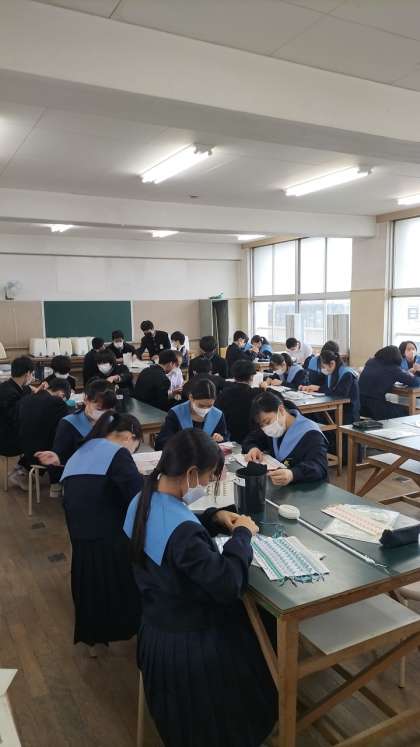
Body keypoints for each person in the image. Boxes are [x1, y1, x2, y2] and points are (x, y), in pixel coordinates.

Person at [124, 429, 277, 747]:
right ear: (192, 473)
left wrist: (213, 515)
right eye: (207, 478)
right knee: (265, 627)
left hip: (155, 630)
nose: (206, 486)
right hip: (192, 648)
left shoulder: (143, 497)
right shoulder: (184, 535)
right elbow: (228, 584)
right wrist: (242, 536)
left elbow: (175, 526)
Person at [61, 411, 143, 651]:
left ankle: (94, 641)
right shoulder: (117, 453)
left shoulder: (81, 451)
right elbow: (139, 496)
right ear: (129, 437)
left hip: (80, 538)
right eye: (135, 448)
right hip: (111, 542)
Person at [36, 379, 117, 495]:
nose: (103, 414)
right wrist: (56, 460)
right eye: (99, 409)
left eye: (108, 410)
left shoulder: (113, 421)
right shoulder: (69, 423)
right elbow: (60, 457)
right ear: (86, 399)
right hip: (78, 477)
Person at [242, 391, 328, 485]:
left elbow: (319, 466)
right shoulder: (273, 429)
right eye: (261, 425)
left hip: (307, 487)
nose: (266, 428)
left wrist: (293, 474)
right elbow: (251, 439)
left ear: (281, 410)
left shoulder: (311, 433)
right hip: (280, 486)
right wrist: (253, 448)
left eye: (267, 422)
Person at [19, 378, 71, 481]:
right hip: (41, 452)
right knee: (68, 439)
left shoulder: (28, 398)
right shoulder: (57, 402)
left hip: (24, 447)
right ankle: (56, 482)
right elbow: (65, 426)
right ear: (61, 394)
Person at [155, 378, 227, 450]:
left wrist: (221, 439)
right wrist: (179, 443)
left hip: (208, 455)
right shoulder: (176, 413)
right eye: (201, 406)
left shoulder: (218, 415)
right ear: (191, 398)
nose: (205, 409)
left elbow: (225, 437)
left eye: (209, 406)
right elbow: (161, 442)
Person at [0, 356, 35, 490]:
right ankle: (20, 471)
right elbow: (18, 419)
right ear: (27, 374)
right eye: (32, 374)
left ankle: (21, 469)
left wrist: (33, 390)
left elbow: (25, 391)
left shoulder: (8, 385)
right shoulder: (9, 393)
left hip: (8, 431)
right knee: (42, 439)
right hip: (7, 439)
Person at [359, 345, 418, 420]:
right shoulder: (393, 369)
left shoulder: (371, 362)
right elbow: (414, 382)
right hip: (375, 408)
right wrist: (409, 374)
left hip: (360, 405)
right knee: (405, 411)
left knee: (396, 407)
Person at [301, 349, 360, 423]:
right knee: (312, 415)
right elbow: (330, 389)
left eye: (323, 367)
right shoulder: (333, 371)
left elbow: (339, 394)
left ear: (332, 363)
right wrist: (316, 388)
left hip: (347, 413)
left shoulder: (347, 374)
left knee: (317, 416)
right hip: (336, 409)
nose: (323, 369)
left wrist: (319, 388)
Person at [215, 359, 261, 443]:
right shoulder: (257, 394)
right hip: (252, 439)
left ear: (234, 376)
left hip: (228, 438)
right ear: (251, 377)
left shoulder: (223, 393)